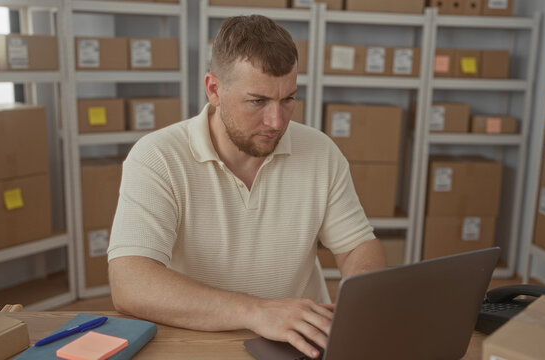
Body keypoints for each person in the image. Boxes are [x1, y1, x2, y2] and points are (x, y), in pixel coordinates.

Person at [107, 14, 387, 359]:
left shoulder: (320, 151)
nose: (277, 121)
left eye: (288, 99)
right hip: (198, 340)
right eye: (258, 101)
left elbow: (358, 247)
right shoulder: (157, 157)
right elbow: (129, 283)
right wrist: (256, 312)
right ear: (214, 90)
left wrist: (362, 306)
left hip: (298, 344)